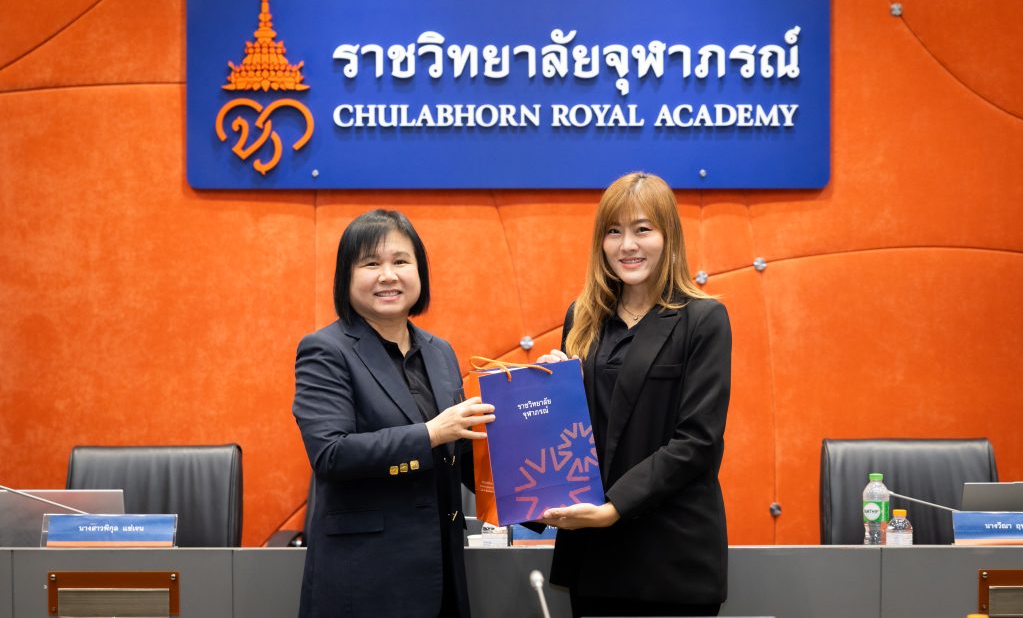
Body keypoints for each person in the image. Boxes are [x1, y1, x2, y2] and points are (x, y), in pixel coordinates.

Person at [536, 172, 732, 617]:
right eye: (614, 231)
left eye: (642, 229)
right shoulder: (583, 317)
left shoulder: (703, 319)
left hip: (671, 556)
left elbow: (697, 442)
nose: (627, 245)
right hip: (593, 556)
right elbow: (579, 434)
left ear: (668, 236)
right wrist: (554, 394)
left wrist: (613, 508)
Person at [293, 209, 494, 618]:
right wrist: (430, 433)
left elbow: (460, 452)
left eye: (401, 261)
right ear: (346, 277)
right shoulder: (325, 350)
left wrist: (540, 488)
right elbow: (331, 454)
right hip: (366, 580)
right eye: (371, 264)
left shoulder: (439, 351)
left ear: (420, 272)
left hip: (443, 574)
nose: (388, 276)